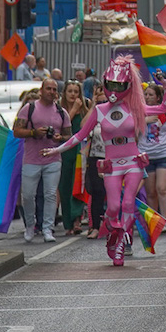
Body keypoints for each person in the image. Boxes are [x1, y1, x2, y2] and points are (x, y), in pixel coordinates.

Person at [43, 56, 166, 265]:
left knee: (127, 202)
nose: (115, 90)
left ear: (128, 86)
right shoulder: (99, 111)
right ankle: (113, 233)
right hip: (111, 164)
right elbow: (80, 135)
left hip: (133, 161)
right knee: (111, 208)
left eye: (120, 85)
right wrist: (57, 149)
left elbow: (162, 109)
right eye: (111, 85)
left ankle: (122, 243)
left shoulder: (135, 107)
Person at [14, 78, 69, 242]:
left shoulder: (61, 112)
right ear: (41, 90)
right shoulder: (29, 108)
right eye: (48, 89)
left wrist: (60, 137)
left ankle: (48, 229)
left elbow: (69, 135)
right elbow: (16, 131)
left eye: (54, 89)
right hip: (31, 159)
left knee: (50, 194)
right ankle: (30, 226)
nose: (51, 92)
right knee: (28, 195)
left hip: (53, 158)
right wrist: (33, 133)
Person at [58, 80, 91, 235]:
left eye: (75, 91)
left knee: (77, 185)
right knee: (64, 186)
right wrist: (73, 110)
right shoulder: (59, 110)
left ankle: (77, 219)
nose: (72, 94)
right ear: (65, 93)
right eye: (69, 91)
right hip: (64, 151)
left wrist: (80, 108)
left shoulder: (84, 110)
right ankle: (67, 223)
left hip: (79, 151)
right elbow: (61, 127)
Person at [140, 84, 166, 220]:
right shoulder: (139, 112)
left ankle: (165, 219)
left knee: (162, 188)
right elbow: (132, 132)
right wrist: (144, 121)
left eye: (151, 95)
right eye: (146, 94)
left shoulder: (165, 112)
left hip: (163, 154)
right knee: (150, 192)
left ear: (158, 97)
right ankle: (154, 222)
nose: (147, 97)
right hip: (146, 155)